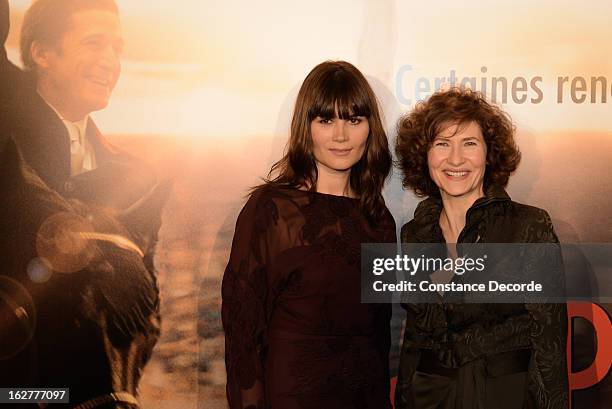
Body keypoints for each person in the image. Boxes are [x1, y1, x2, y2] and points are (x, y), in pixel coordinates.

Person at [221, 60, 396, 409]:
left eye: (354, 120)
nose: (341, 135)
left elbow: (379, 335)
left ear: (370, 128)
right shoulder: (271, 209)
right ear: (307, 126)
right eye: (326, 120)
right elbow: (243, 335)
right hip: (291, 396)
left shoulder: (379, 220)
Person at [394, 88, 568, 409]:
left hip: (505, 397)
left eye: (469, 143)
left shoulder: (528, 227)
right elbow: (415, 341)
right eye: (442, 144)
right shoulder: (415, 235)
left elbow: (550, 347)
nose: (455, 158)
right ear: (425, 155)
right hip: (431, 397)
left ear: (489, 154)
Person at [0, 0, 154, 208]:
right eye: (93, 43)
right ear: (42, 54)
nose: (110, 62)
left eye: (116, 49)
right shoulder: (7, 133)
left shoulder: (136, 179)